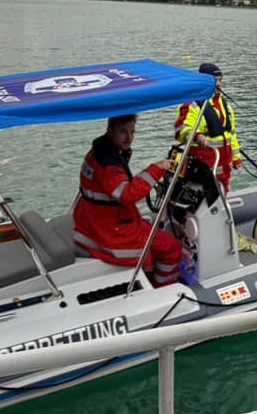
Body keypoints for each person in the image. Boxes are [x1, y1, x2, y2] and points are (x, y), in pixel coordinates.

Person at [73, 114, 182, 287]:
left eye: (132, 132)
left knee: (154, 241)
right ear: (110, 130)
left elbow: (116, 187)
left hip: (93, 221)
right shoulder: (109, 165)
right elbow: (127, 194)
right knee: (172, 249)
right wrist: (157, 169)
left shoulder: (97, 153)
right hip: (109, 229)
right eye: (123, 132)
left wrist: (147, 175)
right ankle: (161, 288)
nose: (129, 138)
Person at [174, 63, 242, 192]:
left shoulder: (225, 105)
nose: (219, 84)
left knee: (224, 191)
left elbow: (231, 134)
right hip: (203, 166)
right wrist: (197, 135)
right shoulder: (192, 104)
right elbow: (181, 130)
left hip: (224, 165)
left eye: (220, 80)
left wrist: (236, 158)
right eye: (215, 81)